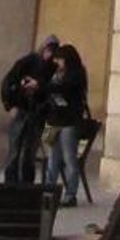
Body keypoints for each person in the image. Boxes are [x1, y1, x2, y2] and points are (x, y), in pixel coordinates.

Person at [0, 34, 56, 185]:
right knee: (14, 149)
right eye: (48, 50)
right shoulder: (28, 62)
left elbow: (52, 91)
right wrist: (9, 104)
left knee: (29, 152)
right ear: (43, 48)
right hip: (22, 110)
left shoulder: (52, 68)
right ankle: (11, 183)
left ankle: (27, 184)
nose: (49, 55)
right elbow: (8, 82)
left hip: (38, 114)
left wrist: (39, 87)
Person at [40, 40, 91, 198]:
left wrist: (44, 86)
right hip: (53, 120)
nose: (57, 63)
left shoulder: (76, 75)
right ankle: (48, 189)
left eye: (60, 59)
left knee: (69, 158)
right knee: (52, 157)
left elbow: (65, 89)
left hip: (69, 121)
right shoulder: (55, 74)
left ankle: (70, 194)